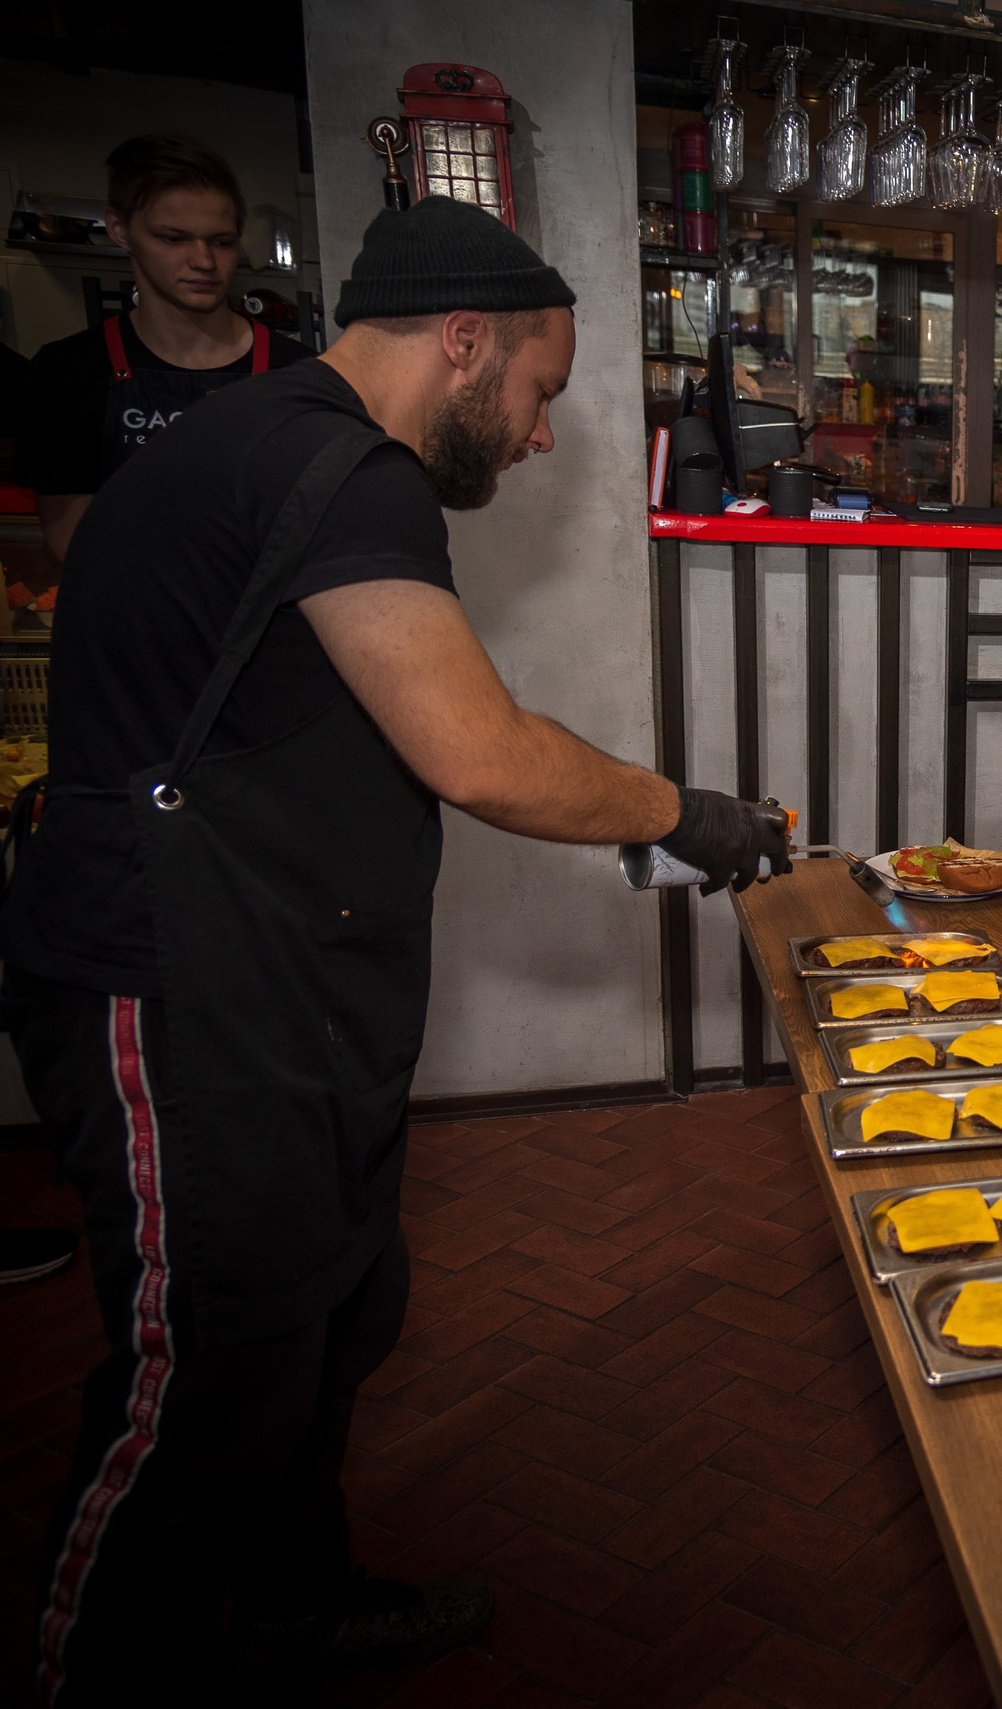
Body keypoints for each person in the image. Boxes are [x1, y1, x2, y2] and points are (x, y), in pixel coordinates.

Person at [0, 196, 790, 1700]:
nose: (543, 435)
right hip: (173, 980)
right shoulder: (340, 466)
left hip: (280, 975)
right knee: (204, 1382)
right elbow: (477, 751)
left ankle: (294, 1604)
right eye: (545, 394)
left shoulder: (276, 440)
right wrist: (686, 813)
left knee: (334, 1312)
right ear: (467, 339)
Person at [24, 134, 316, 563]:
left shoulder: (299, 373)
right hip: (132, 619)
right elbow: (70, 539)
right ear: (120, 229)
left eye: (221, 241)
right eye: (174, 239)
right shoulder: (68, 372)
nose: (203, 260)